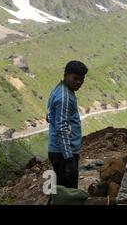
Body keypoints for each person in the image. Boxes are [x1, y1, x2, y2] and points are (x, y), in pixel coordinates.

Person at [47, 61, 88, 189]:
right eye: (75, 78)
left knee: (59, 191)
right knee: (67, 194)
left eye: (82, 79)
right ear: (66, 75)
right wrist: (69, 160)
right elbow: (61, 129)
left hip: (59, 151)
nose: (79, 82)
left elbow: (49, 117)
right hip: (64, 153)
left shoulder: (60, 90)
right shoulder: (64, 97)